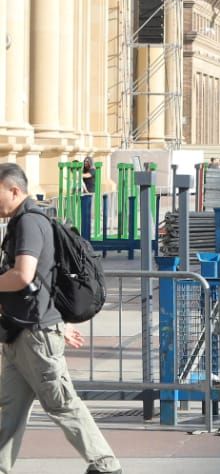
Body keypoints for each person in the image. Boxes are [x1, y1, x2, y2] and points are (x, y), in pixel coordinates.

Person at [0, 163, 121, 474]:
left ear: (14, 190)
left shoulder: (29, 222)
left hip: (35, 336)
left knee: (61, 403)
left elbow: (22, 275)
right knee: (9, 409)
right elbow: (43, 280)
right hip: (20, 332)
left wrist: (51, 324)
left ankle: (106, 465)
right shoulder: (21, 221)